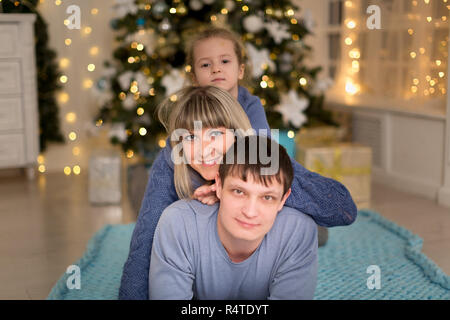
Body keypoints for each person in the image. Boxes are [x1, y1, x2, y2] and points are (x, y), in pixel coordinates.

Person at [119, 27, 357, 300]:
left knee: (303, 226)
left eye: (217, 134)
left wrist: (248, 187)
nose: (216, 70)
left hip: (268, 219)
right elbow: (146, 238)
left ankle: (296, 216)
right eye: (206, 64)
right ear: (193, 76)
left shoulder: (255, 142)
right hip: (200, 235)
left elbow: (343, 209)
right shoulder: (176, 159)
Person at [149, 135, 318, 300]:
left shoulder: (299, 230)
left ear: (284, 199)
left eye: (267, 197)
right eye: (239, 192)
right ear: (219, 185)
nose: (250, 212)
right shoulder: (178, 222)